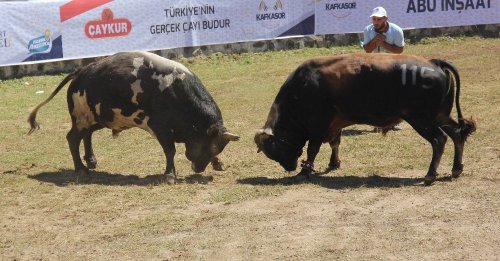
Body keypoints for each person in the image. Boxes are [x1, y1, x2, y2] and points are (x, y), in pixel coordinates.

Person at [363, 6, 404, 131]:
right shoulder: (368, 30)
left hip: (392, 66)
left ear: (385, 18)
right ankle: (376, 122)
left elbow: (400, 50)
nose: (376, 22)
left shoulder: (396, 30)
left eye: (379, 19)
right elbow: (367, 50)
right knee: (374, 94)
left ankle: (393, 122)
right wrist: (375, 41)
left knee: (393, 94)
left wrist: (383, 44)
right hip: (374, 66)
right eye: (374, 19)